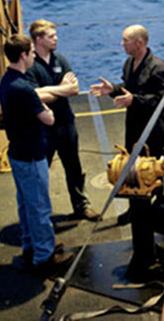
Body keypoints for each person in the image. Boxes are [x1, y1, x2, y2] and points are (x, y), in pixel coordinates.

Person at [0, 34, 75, 273]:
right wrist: (49, 99)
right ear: (23, 55)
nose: (33, 55)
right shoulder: (23, 88)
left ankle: (31, 246)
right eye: (31, 52)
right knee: (40, 206)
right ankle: (44, 256)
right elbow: (49, 118)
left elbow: (38, 102)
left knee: (26, 204)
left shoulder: (7, 80)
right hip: (31, 155)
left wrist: (41, 98)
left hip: (18, 152)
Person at [90, 25, 164, 224]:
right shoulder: (129, 63)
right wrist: (113, 90)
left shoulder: (157, 68)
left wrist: (134, 100)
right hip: (134, 124)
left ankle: (163, 208)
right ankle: (136, 208)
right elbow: (129, 89)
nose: (122, 44)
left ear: (139, 42)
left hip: (154, 127)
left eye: (125, 40)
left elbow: (159, 100)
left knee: (159, 166)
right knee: (133, 165)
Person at [27, 20, 100, 221]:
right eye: (51, 36)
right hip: (43, 127)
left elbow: (74, 89)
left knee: (73, 166)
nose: (56, 39)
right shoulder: (30, 65)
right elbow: (34, 96)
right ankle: (41, 213)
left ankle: (81, 205)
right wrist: (62, 89)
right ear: (39, 40)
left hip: (65, 123)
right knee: (41, 171)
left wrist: (50, 91)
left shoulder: (60, 60)